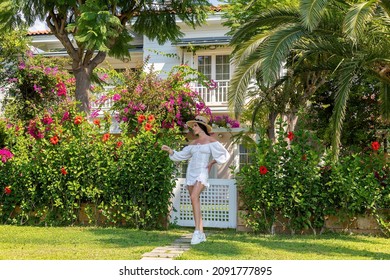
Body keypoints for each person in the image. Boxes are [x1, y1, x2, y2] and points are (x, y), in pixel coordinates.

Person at [161, 115, 230, 245]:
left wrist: (212, 163)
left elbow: (224, 154)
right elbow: (182, 155)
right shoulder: (193, 143)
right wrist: (170, 151)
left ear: (201, 126)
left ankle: (197, 232)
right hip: (191, 172)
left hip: (202, 172)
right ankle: (201, 233)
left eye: (195, 126)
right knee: (194, 201)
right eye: (192, 126)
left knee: (194, 197)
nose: (193, 128)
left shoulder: (210, 140)